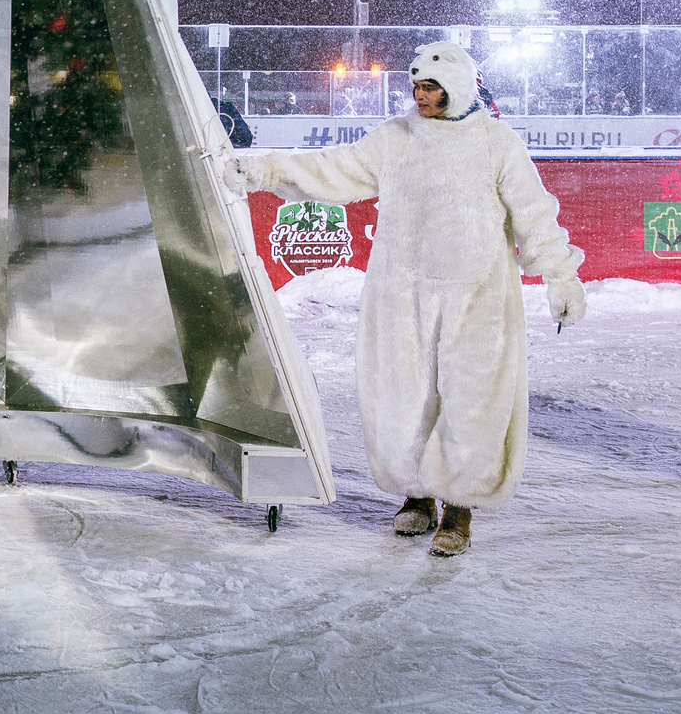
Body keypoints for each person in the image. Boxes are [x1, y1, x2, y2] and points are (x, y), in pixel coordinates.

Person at [226, 41, 584, 556]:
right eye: (416, 86)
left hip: (477, 294)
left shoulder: (497, 142)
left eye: (431, 88)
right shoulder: (395, 139)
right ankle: (418, 498)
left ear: (457, 89)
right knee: (405, 396)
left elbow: (534, 214)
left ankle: (459, 510)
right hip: (401, 292)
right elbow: (334, 168)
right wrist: (265, 171)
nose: (420, 96)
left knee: (469, 399)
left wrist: (561, 276)